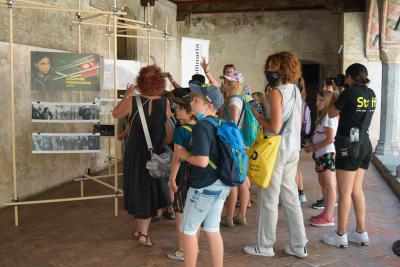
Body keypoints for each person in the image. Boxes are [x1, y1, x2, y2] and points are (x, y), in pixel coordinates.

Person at [244, 51, 308, 258]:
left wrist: (257, 115)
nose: (269, 70)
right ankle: (299, 245)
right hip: (292, 148)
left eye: (273, 67)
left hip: (276, 150)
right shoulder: (296, 90)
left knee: (268, 198)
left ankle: (265, 245)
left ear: (283, 69)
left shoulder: (276, 92)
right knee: (290, 197)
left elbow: (274, 126)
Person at [112, 65, 172, 247]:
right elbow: (168, 127)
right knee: (150, 189)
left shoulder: (132, 101)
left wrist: (127, 94)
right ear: (160, 83)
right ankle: (141, 231)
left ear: (140, 82)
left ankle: (143, 234)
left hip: (135, 153)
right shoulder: (165, 102)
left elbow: (116, 113)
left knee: (139, 190)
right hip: (155, 151)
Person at [174, 85, 230, 267]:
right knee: (213, 229)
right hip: (222, 184)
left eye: (196, 101)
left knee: (188, 230)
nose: (192, 103)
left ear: (208, 106)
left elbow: (202, 161)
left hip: (204, 186)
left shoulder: (201, 126)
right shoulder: (220, 123)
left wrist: (183, 155)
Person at [323, 63, 376, 248]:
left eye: (346, 77)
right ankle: (361, 232)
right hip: (365, 144)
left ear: (350, 77)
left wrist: (333, 95)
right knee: (356, 190)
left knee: (344, 192)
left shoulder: (349, 93)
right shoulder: (371, 94)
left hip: (348, 145)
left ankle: (340, 234)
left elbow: (331, 113)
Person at [167, 87, 196, 261]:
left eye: (178, 108)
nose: (175, 110)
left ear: (187, 111)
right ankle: (193, 246)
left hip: (185, 175)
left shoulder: (181, 131)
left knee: (180, 212)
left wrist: (172, 179)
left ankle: (182, 249)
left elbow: (177, 157)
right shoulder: (203, 125)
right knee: (196, 213)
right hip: (202, 175)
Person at [219, 71, 250, 227]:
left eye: (227, 82)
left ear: (234, 84)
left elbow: (234, 123)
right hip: (241, 144)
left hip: (233, 144)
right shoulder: (241, 98)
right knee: (242, 180)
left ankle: (229, 217)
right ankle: (241, 216)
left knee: (233, 181)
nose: (224, 84)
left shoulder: (234, 101)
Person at [305, 91, 338, 227]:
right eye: (317, 100)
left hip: (326, 154)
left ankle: (329, 217)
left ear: (328, 102)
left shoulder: (329, 117)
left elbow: (330, 139)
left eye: (321, 100)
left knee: (329, 185)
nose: (317, 103)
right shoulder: (324, 117)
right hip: (321, 155)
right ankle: (325, 213)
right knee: (324, 185)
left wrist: (313, 146)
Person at [297, 77, 311, 204]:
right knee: (295, 166)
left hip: (291, 137)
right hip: (299, 137)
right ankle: (300, 193)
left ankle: (300, 193)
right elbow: (307, 129)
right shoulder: (304, 105)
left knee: (293, 167)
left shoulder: (294, 103)